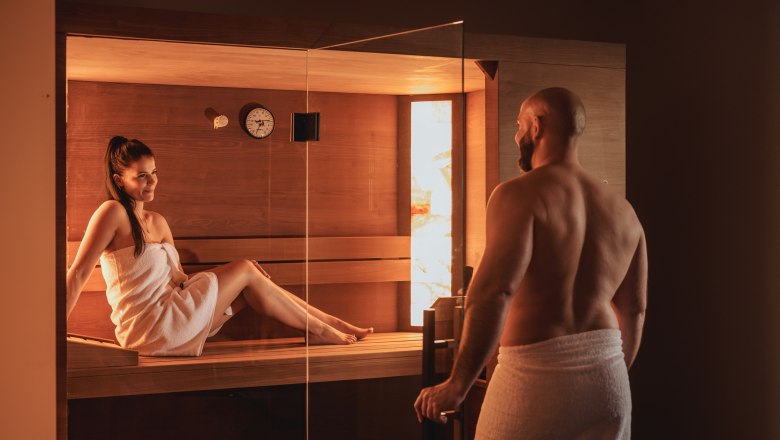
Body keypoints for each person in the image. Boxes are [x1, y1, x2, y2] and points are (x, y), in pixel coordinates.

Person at [414, 87, 647, 439]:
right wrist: (607, 374)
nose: (516, 134)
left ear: (536, 126)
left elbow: (495, 293)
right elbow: (635, 310)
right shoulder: (623, 210)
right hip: (608, 378)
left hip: (537, 376)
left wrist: (457, 385)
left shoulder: (518, 195)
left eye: (519, 125)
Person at [66, 136, 373, 356]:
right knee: (243, 269)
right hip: (149, 327)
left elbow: (180, 280)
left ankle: (327, 324)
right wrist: (54, 334)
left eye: (155, 173)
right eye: (142, 176)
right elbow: (78, 272)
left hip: (174, 313)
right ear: (119, 180)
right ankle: (323, 329)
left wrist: (240, 275)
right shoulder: (112, 213)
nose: (152, 181)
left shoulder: (157, 221)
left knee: (248, 275)